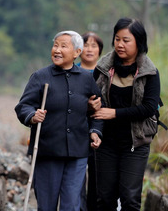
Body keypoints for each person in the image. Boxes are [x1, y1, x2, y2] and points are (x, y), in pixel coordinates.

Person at [15, 30, 103, 211]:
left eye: (64, 46)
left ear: (76, 53)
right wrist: (32, 116)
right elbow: (23, 106)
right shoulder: (40, 77)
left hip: (77, 152)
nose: (57, 49)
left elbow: (98, 109)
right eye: (55, 45)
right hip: (47, 151)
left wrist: (95, 131)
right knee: (46, 205)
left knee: (71, 205)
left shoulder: (87, 79)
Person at [92, 18, 161, 211]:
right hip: (106, 142)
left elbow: (149, 108)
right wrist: (91, 104)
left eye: (126, 40)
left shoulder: (150, 72)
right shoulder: (103, 68)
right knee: (104, 199)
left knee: (130, 199)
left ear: (138, 42)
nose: (120, 44)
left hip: (135, 143)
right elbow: (90, 96)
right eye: (117, 39)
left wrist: (114, 113)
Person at [77, 32, 104, 211]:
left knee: (98, 179)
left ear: (100, 51)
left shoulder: (106, 74)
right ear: (78, 49)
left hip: (101, 132)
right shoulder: (72, 71)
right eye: (86, 45)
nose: (89, 49)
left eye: (94, 46)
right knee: (76, 180)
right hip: (77, 130)